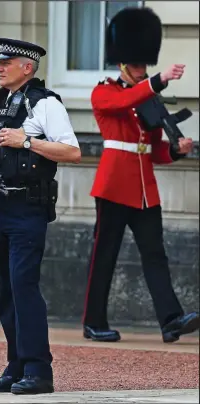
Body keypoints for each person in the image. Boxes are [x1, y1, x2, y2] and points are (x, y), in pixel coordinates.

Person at [0, 38, 81, 395]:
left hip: (27, 210)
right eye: (0, 62)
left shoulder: (45, 104)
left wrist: (26, 141)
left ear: (26, 67)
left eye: (6, 62)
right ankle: (15, 366)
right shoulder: (0, 108)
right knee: (7, 292)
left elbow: (72, 151)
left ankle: (38, 370)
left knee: (24, 288)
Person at [82, 7, 199, 344]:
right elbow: (122, 103)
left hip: (145, 189)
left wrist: (177, 150)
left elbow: (154, 149)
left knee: (155, 254)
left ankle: (171, 320)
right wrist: (158, 80)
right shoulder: (104, 92)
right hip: (114, 186)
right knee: (105, 254)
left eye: (144, 65)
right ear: (121, 64)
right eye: (137, 65)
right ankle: (93, 321)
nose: (142, 70)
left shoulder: (147, 99)